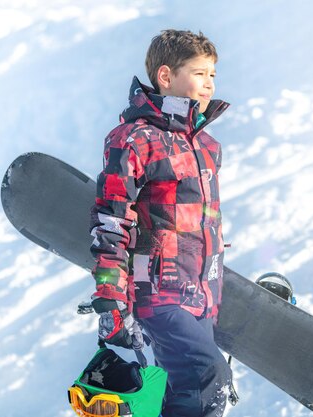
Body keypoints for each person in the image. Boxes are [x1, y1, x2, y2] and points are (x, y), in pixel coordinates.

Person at [86, 29, 232, 417]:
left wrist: (215, 290)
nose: (209, 84)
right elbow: (111, 221)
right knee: (207, 378)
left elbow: (205, 227)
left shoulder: (206, 148)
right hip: (156, 293)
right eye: (199, 73)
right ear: (166, 77)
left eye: (212, 75)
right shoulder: (134, 139)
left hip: (199, 296)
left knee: (193, 394)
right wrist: (111, 300)